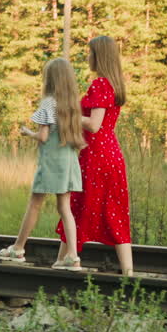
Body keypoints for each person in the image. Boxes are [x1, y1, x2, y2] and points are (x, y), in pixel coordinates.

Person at [0, 57, 87, 271]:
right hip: (68, 161)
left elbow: (44, 136)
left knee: (35, 204)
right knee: (65, 208)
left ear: (50, 80)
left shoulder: (48, 103)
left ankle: (18, 249)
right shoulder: (73, 105)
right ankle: (73, 257)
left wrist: (28, 132)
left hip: (51, 162)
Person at [56, 35, 134, 276]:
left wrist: (68, 115)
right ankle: (129, 274)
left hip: (97, 156)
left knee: (78, 206)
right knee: (113, 211)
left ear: (99, 56)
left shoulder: (100, 84)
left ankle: (64, 261)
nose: (87, 57)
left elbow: (94, 125)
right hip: (110, 155)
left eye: (90, 53)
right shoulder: (114, 84)